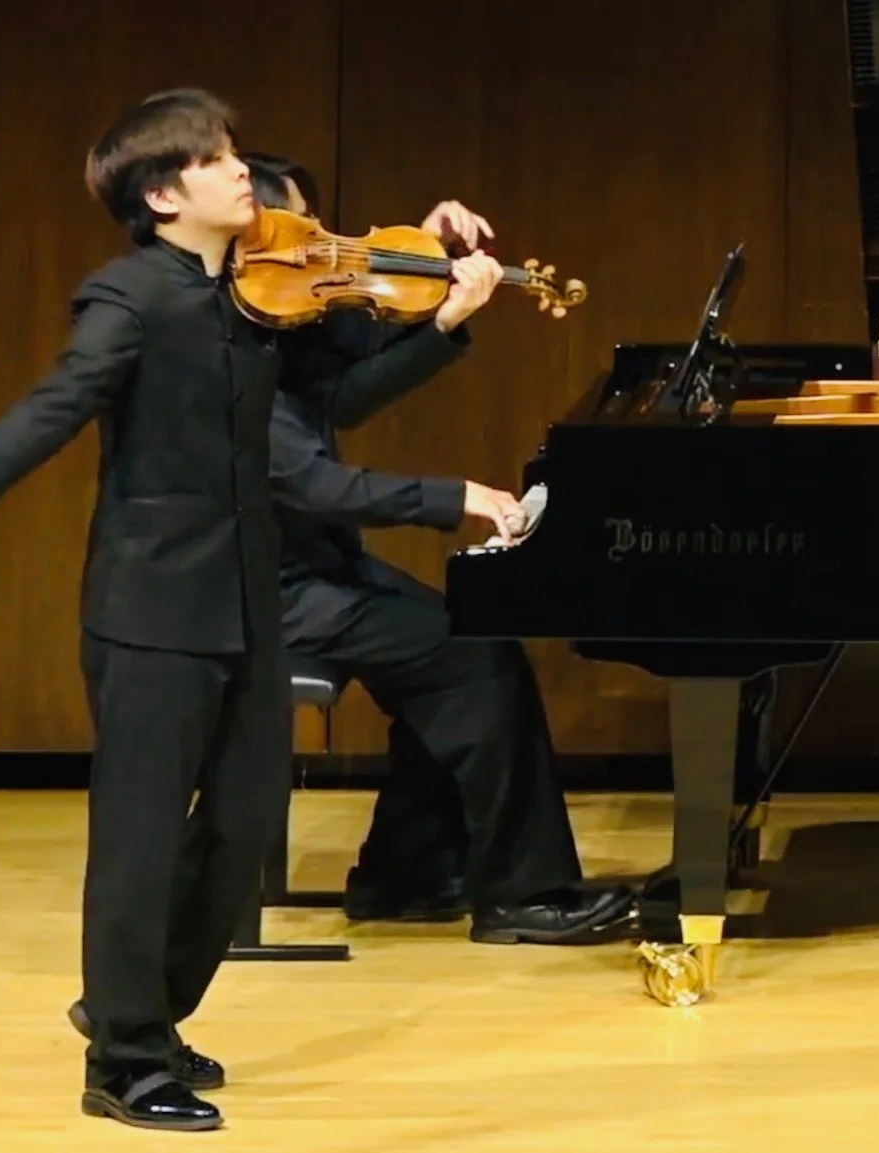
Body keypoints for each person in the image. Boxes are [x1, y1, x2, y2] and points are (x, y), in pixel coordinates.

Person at [0, 91, 505, 1134]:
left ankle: (139, 1010)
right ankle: (122, 1059)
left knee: (246, 817)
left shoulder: (252, 303)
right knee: (141, 837)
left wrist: (436, 287)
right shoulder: (129, 299)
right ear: (165, 195)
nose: (238, 170)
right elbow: (58, 403)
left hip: (247, 604)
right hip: (151, 607)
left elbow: (337, 383)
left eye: (233, 152)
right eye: (215, 160)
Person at [245, 153, 636, 944]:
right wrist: (453, 497)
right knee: (471, 657)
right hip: (261, 589)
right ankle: (522, 895)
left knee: (455, 644)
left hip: (310, 562)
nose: (318, 253)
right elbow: (312, 480)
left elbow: (341, 396)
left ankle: (408, 872)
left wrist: (425, 278)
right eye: (300, 234)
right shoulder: (221, 343)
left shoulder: (269, 324)